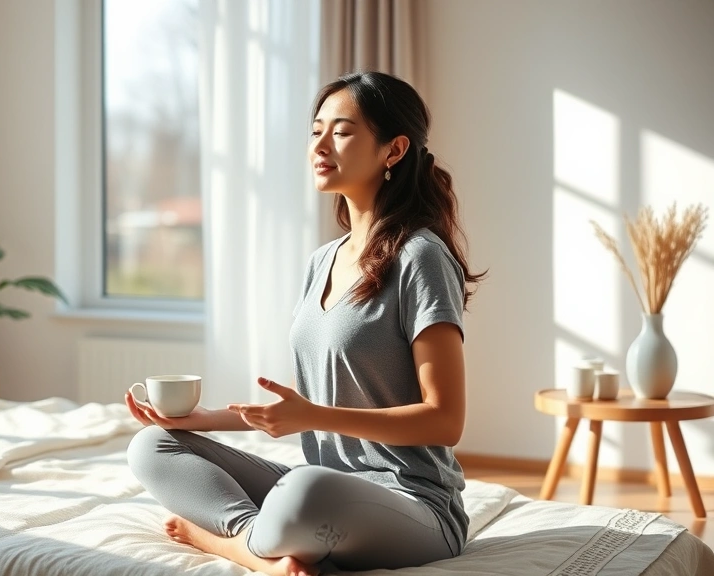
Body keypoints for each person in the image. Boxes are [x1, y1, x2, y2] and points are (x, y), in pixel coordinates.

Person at [125, 71, 485, 576]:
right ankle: (267, 539)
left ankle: (228, 543)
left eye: (341, 130)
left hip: (413, 503)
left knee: (304, 490)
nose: (320, 143)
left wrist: (313, 416)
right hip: (329, 484)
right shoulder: (323, 261)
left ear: (394, 150)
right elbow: (321, 394)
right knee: (153, 446)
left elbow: (445, 419)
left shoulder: (421, 257)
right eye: (315, 129)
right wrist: (206, 420)